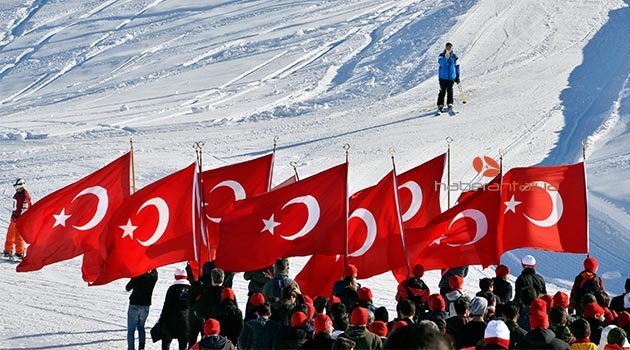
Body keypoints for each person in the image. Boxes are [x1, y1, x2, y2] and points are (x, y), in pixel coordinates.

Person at [126, 269, 158, 350]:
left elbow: (127, 288)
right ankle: (141, 347)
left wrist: (134, 274)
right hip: (146, 306)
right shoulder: (153, 277)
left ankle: (131, 348)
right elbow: (155, 270)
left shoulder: (137, 276)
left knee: (131, 330)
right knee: (141, 327)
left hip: (134, 305)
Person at [160, 267, 191, 350]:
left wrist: (161, 320)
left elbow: (166, 306)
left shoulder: (171, 289)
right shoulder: (191, 289)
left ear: (175, 276)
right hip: (185, 321)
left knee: (166, 342)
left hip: (170, 321)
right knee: (183, 344)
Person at [3, 178, 31, 259]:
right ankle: (8, 250)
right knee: (10, 235)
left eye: (17, 186)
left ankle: (19, 253)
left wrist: (20, 219)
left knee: (18, 237)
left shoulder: (25, 196)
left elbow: (25, 208)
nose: (16, 188)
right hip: (14, 218)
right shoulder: (18, 194)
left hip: (20, 220)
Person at [436, 42, 460, 112]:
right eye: (448, 47)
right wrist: (446, 58)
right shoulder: (441, 55)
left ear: (452, 48)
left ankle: (450, 103)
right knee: (442, 91)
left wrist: (457, 76)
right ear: (445, 48)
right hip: (443, 77)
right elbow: (440, 62)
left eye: (450, 47)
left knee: (450, 90)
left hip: (451, 77)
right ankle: (440, 104)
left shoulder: (455, 57)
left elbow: (457, 67)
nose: (449, 49)